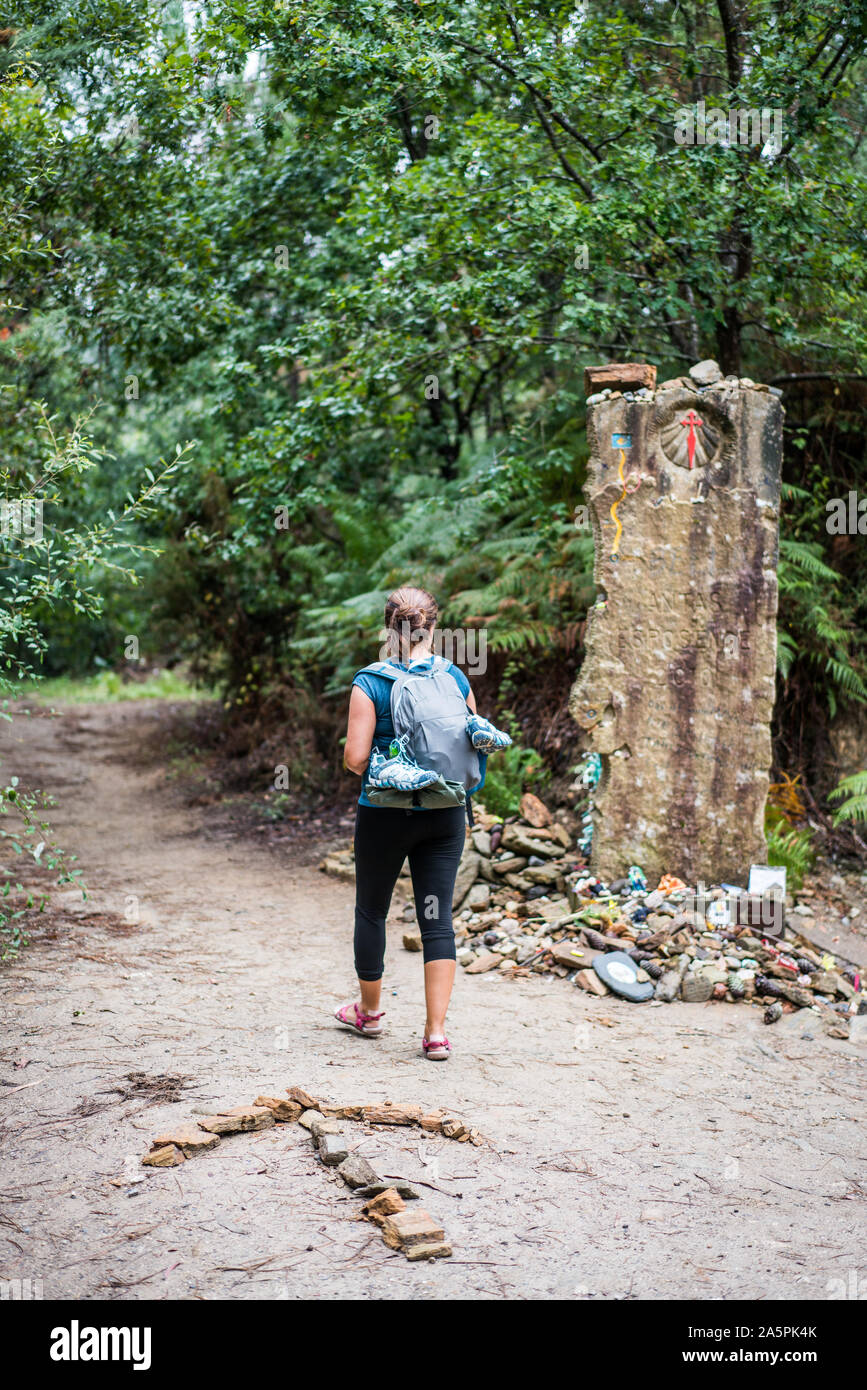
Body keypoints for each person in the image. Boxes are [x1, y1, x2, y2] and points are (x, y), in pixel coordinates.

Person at [336, 584, 509, 1061]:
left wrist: (385, 755)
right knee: (437, 920)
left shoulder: (369, 682)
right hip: (446, 814)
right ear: (434, 626)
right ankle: (435, 1033)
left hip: (385, 817)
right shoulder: (453, 677)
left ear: (388, 627)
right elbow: (467, 742)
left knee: (371, 910)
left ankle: (369, 1013)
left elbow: (354, 759)